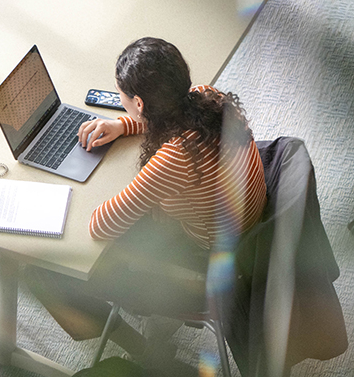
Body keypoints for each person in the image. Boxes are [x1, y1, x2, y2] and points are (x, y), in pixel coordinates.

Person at [27, 37, 267, 356]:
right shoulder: (209, 96)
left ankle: (133, 345)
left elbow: (102, 226)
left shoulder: (175, 159)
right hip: (248, 219)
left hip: (209, 259)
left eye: (125, 101)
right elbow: (174, 118)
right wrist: (121, 125)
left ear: (140, 104)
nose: (126, 106)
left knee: (50, 266)